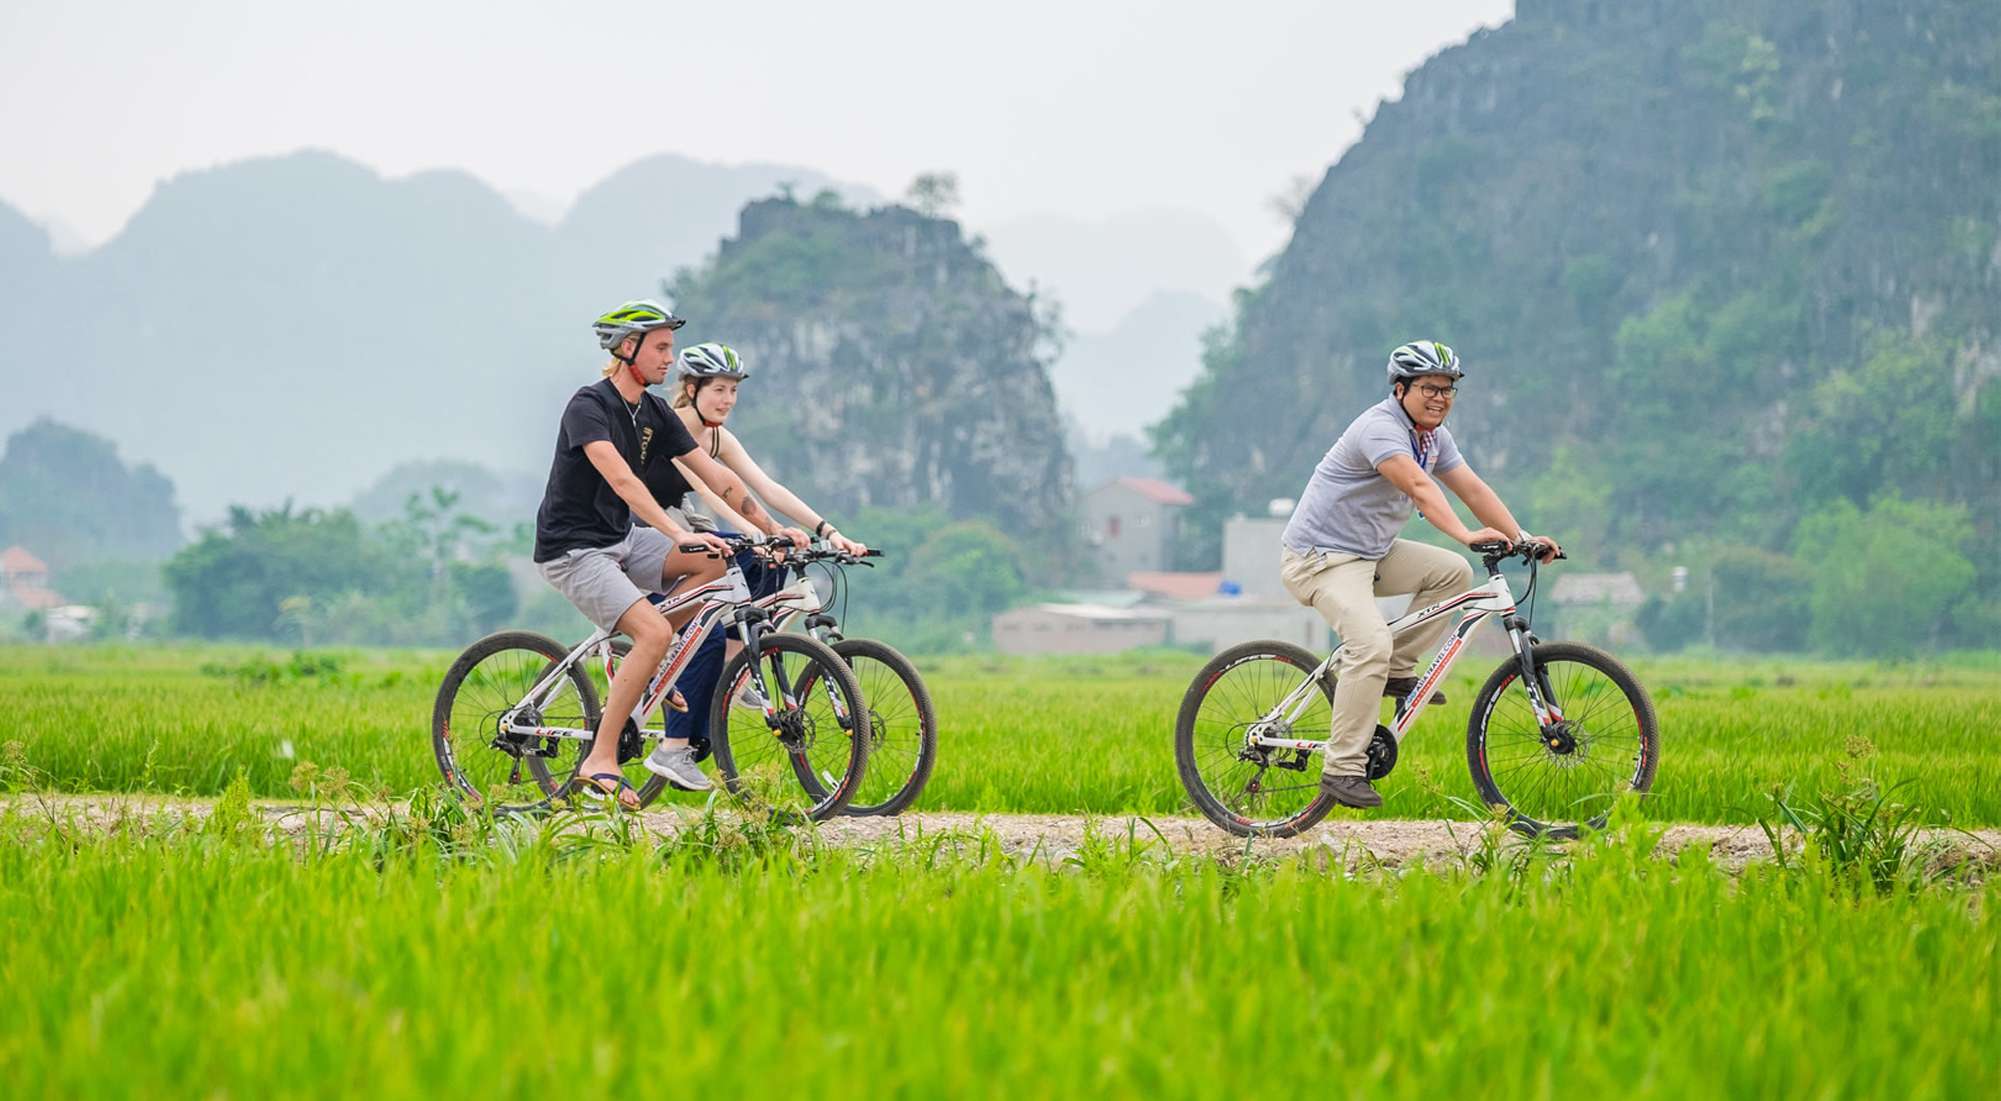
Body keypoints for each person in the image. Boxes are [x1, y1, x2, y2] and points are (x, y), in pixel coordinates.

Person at [532, 300, 799, 809]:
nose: (668, 360)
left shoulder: (652, 410)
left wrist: (771, 529)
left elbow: (718, 476)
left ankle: (652, 661)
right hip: (574, 549)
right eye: (660, 348)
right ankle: (600, 760)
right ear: (626, 348)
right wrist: (676, 535)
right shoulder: (588, 406)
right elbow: (623, 481)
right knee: (655, 628)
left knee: (716, 562)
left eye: (670, 349)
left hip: (622, 541)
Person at [1278, 340, 1561, 809]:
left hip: (1369, 554)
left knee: (1451, 572)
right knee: (1368, 643)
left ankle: (1393, 671)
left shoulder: (1434, 437)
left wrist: (1523, 535)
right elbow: (1417, 486)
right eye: (1430, 387)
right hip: (1320, 558)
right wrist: (1466, 534)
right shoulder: (1379, 430)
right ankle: (1342, 768)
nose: (1440, 398)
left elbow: (1471, 486)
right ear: (1401, 388)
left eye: (1449, 390)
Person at [636, 341, 866, 756]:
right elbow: (714, 490)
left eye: (734, 390)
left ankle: (736, 662)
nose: (728, 400)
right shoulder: (672, 428)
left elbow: (766, 487)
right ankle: (677, 742)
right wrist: (758, 532)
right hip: (644, 535)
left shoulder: (718, 436)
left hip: (683, 532)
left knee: (770, 565)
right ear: (690, 389)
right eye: (718, 390)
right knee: (708, 619)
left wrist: (828, 531)